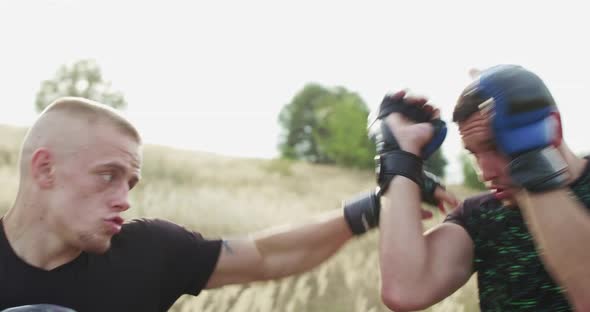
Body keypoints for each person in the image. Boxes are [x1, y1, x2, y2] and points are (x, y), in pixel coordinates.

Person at [0, 97, 457, 312]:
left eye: (131, 181)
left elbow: (266, 256)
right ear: (45, 169)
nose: (124, 199)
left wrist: (375, 207)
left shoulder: (147, 253)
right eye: (107, 176)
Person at [375, 65, 590, 311]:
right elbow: (405, 290)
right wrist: (399, 155)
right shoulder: (480, 216)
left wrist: (531, 163)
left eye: (495, 146)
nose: (485, 173)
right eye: (474, 154)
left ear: (553, 128)